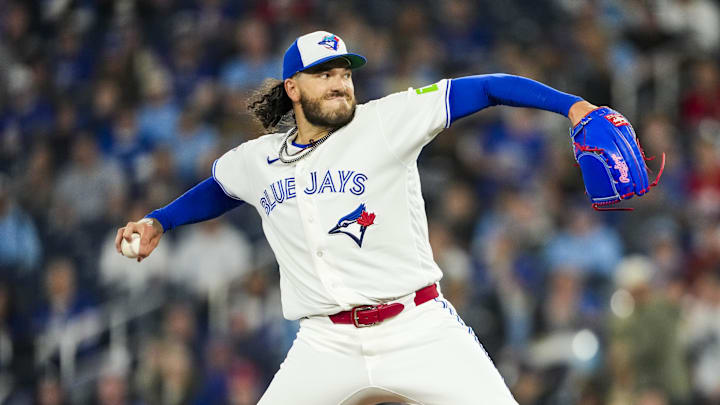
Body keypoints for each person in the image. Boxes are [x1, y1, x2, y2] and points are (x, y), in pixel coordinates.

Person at [116, 31, 600, 404]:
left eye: (344, 72)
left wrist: (573, 106)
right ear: (293, 88)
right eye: (324, 73)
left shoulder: (386, 122)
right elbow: (219, 189)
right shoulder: (258, 159)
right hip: (325, 343)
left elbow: (490, 87)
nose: (340, 82)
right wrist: (159, 222)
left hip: (417, 327)